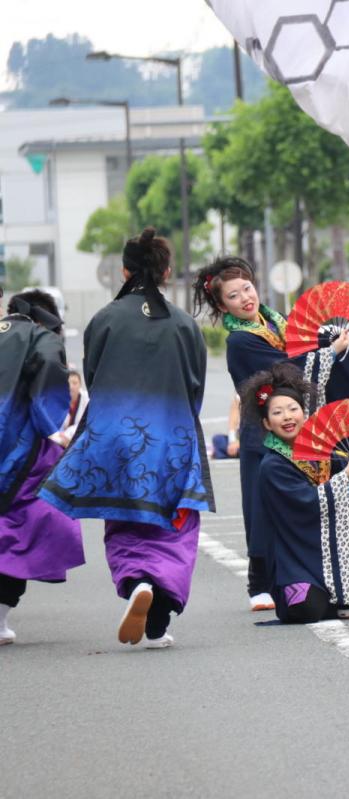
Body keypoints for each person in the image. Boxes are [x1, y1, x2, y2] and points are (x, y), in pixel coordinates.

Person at [192, 256, 349, 611]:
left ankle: (348, 579)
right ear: (220, 304)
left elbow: (312, 340)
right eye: (233, 296)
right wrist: (331, 353)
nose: (245, 298)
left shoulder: (275, 321)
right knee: (264, 508)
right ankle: (260, 583)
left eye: (247, 288)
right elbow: (288, 369)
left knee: (321, 500)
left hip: (299, 428)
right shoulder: (240, 341)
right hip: (265, 430)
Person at [40, 228, 214, 648]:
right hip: (171, 431)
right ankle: (158, 620)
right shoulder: (184, 324)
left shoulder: (104, 318)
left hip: (114, 431)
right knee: (176, 522)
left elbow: (94, 378)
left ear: (124, 270)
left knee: (123, 517)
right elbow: (196, 386)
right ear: (167, 271)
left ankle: (136, 580)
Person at [241, 364, 349, 622]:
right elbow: (306, 503)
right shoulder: (272, 464)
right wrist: (346, 475)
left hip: (335, 548)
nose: (287, 417)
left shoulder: (322, 452)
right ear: (267, 423)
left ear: (304, 414)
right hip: (296, 557)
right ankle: (339, 598)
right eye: (277, 412)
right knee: (306, 610)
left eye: (293, 409)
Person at [0, 290, 84, 645]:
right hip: (20, 447)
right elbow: (47, 397)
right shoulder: (39, 337)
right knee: (23, 529)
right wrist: (53, 427)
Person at [49, 369, 88, 448]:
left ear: (80, 385)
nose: (71, 386)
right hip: (59, 438)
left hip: (77, 438)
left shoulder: (86, 399)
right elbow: (51, 423)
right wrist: (60, 436)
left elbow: (86, 423)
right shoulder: (56, 399)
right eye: (68, 383)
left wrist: (68, 435)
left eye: (75, 383)